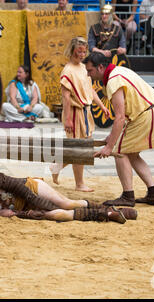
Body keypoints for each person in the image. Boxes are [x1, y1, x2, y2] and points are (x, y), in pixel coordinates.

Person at [84, 52, 154, 207]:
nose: (88, 75)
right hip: (150, 112)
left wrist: (109, 146)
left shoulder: (113, 80)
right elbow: (125, 114)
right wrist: (112, 137)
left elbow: (119, 117)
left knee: (119, 151)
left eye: (90, 71)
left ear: (100, 67)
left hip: (146, 115)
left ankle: (127, 196)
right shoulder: (119, 71)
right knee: (131, 154)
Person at [0, 171, 138, 224]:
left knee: (65, 204)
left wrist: (40, 203)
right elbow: (7, 211)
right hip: (23, 207)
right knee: (57, 215)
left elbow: (14, 184)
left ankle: (106, 208)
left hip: (30, 187)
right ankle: (108, 214)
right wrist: (13, 213)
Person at [49, 37, 110, 193]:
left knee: (84, 147)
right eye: (79, 51)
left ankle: (57, 165)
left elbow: (90, 90)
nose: (82, 54)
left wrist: (102, 106)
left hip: (86, 111)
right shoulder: (68, 71)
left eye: (84, 51)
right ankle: (79, 183)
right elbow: (66, 98)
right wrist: (68, 118)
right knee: (79, 149)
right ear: (72, 50)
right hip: (75, 113)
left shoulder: (84, 68)